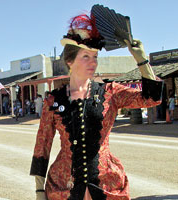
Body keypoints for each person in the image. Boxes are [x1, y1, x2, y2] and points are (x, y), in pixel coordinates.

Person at [30, 14, 163, 200]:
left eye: (95, 56)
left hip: (106, 181)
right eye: (86, 57)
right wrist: (39, 192)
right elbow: (42, 147)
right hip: (64, 185)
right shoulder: (53, 101)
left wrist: (141, 59)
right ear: (70, 61)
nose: (93, 62)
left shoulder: (110, 92)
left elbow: (151, 98)